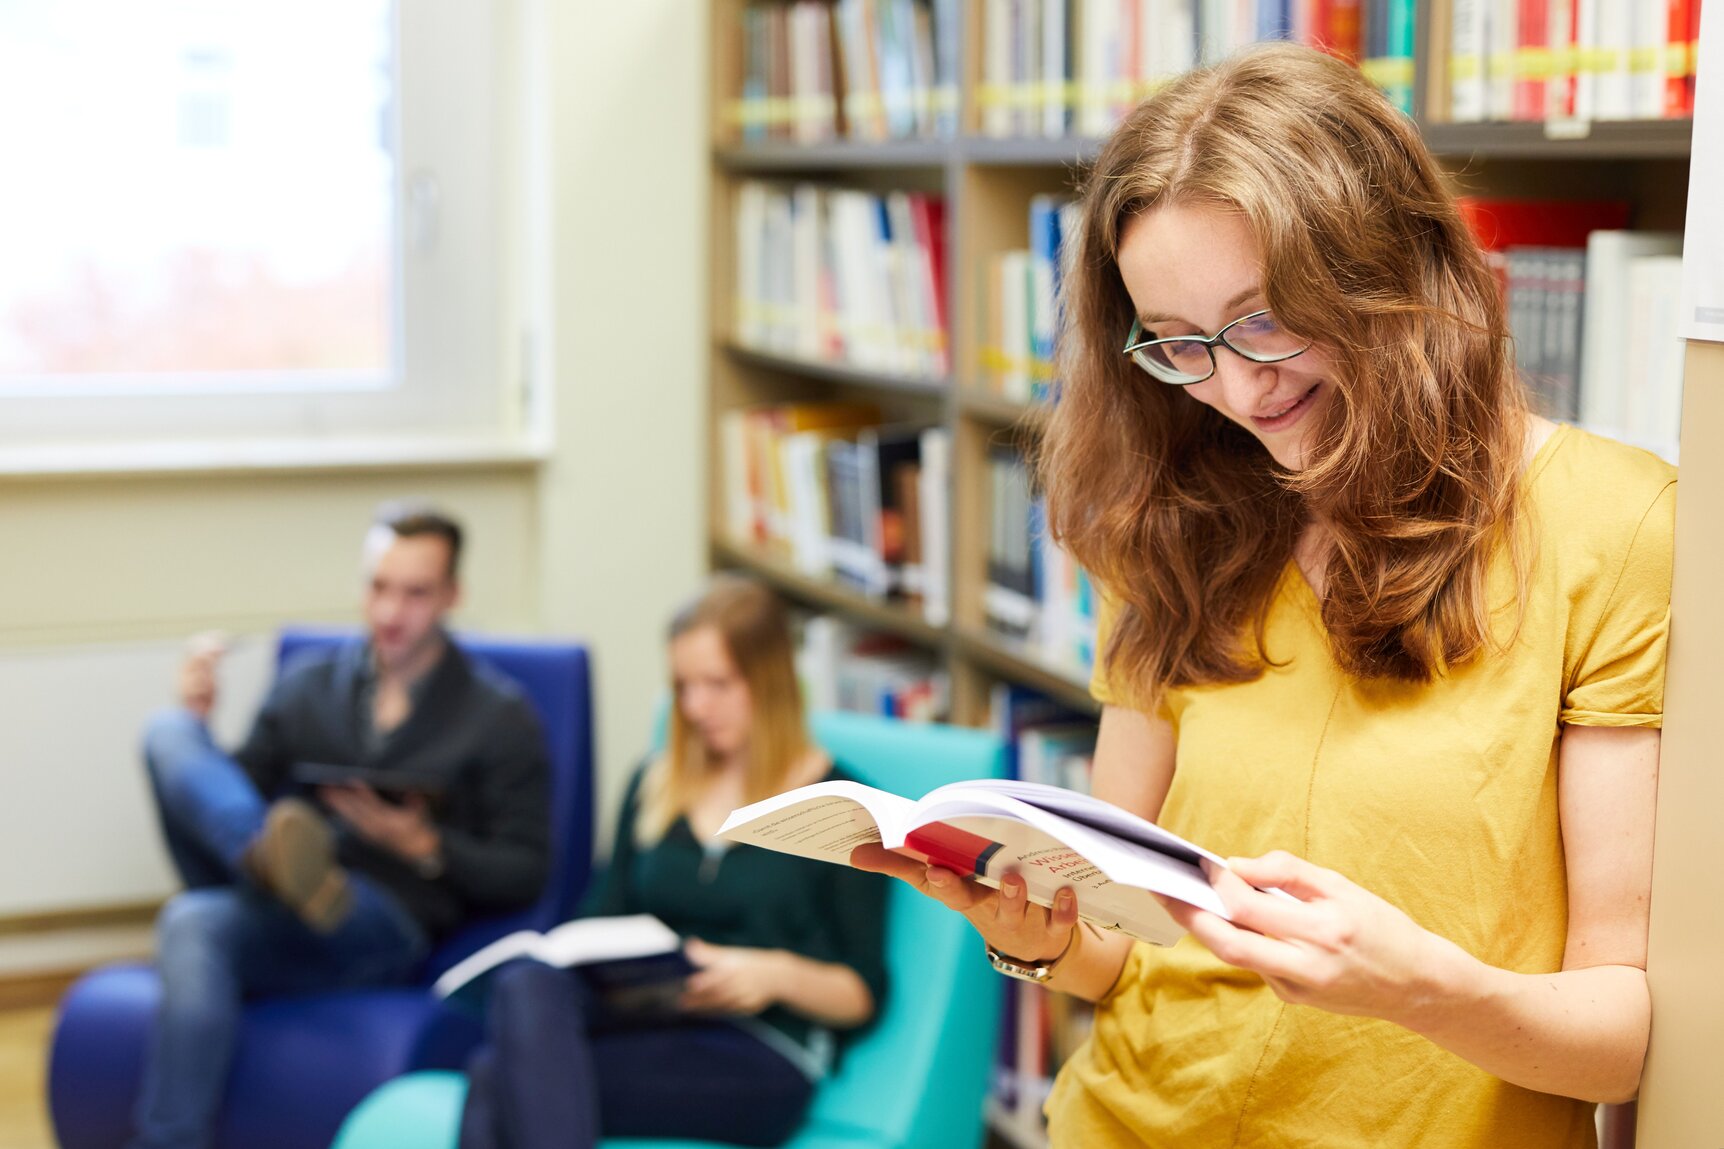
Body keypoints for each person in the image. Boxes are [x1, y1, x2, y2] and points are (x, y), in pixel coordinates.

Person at [856, 43, 1673, 1148]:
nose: (1238, 389)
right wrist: (1031, 931)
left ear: (1389, 262)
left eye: (1262, 317)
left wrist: (1415, 988)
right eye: (1183, 345)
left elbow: (1619, 1035)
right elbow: (1115, 943)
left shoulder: (1611, 526)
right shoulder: (1171, 525)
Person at [132, 501, 552, 1149]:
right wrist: (201, 722)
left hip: (377, 917)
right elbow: (229, 789)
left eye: (415, 593)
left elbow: (526, 868)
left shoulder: (498, 715)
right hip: (268, 894)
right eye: (378, 587)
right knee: (170, 732)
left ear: (451, 595)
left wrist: (426, 845)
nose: (389, 612)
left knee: (191, 922)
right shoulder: (309, 686)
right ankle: (268, 857)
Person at [457, 576, 888, 1149]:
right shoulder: (656, 783)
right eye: (683, 686)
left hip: (758, 1048)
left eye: (717, 684)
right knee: (525, 984)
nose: (694, 707)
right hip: (650, 1017)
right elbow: (599, 918)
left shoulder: (842, 806)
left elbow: (862, 990)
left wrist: (769, 974)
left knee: (494, 1076)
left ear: (771, 679)